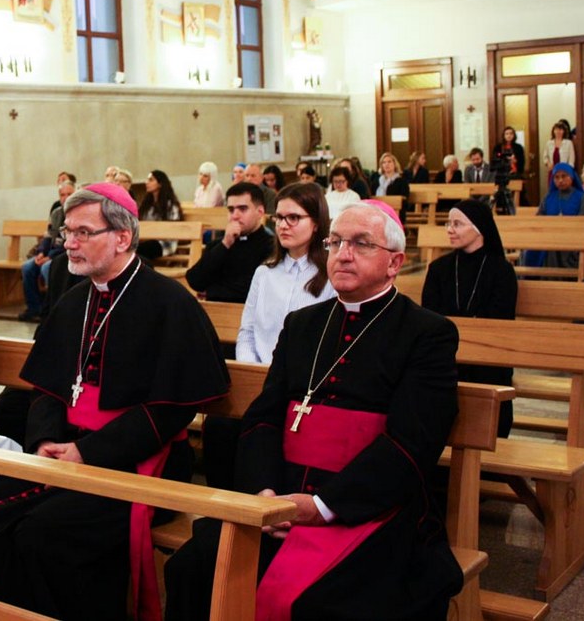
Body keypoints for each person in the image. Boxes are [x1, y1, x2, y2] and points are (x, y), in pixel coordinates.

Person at [165, 202, 462, 621]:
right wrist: (264, 492)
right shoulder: (303, 324)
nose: (343, 253)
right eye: (336, 242)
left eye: (361, 244)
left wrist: (322, 506)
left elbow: (412, 443)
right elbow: (263, 418)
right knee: (193, 567)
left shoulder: (427, 335)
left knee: (322, 602)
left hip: (369, 507)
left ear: (395, 263)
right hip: (280, 500)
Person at [0, 183, 229, 620]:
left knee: (44, 535)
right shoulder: (73, 301)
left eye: (83, 232)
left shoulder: (170, 304)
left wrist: (89, 451)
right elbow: (46, 388)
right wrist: (45, 440)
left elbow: (173, 408)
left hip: (140, 463)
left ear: (122, 237)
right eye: (67, 232)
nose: (70, 244)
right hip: (64, 450)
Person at [422, 200, 518, 436]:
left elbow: (500, 320)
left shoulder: (501, 270)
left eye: (458, 224)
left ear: (479, 228)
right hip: (446, 353)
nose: (449, 229)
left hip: (488, 355)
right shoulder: (439, 269)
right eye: (448, 223)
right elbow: (429, 315)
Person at [236, 182, 336, 367]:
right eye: (279, 217)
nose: (283, 225)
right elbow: (248, 333)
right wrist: (251, 368)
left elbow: (330, 343)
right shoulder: (264, 273)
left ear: (316, 223)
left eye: (293, 217)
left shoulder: (333, 275)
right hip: (260, 374)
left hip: (307, 381)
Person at [186, 182, 273, 304]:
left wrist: (213, 291)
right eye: (231, 210)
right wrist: (225, 244)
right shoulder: (220, 245)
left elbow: (256, 288)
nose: (235, 216)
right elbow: (194, 280)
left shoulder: (272, 246)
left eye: (243, 209)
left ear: (260, 212)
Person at [19, 180, 75, 322]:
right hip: (50, 254)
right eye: (62, 195)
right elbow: (48, 236)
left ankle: (53, 309)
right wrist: (41, 253)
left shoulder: (77, 212)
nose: (66, 197)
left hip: (67, 253)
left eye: (69, 194)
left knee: (47, 268)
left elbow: (71, 240)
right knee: (27, 267)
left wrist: (49, 257)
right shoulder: (56, 213)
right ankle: (34, 308)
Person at [523, 162, 584, 269]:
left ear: (572, 177)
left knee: (553, 250)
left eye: (564, 176)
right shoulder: (549, 197)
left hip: (573, 239)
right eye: (556, 177)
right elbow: (539, 217)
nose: (560, 180)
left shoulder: (581, 198)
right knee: (529, 250)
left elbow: (583, 221)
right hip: (549, 237)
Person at [136, 169, 184, 261]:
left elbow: (172, 230)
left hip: (165, 243)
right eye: (147, 179)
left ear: (160, 183)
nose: (147, 182)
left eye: (151, 180)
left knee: (142, 249)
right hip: (147, 240)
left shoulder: (170, 206)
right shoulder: (147, 205)